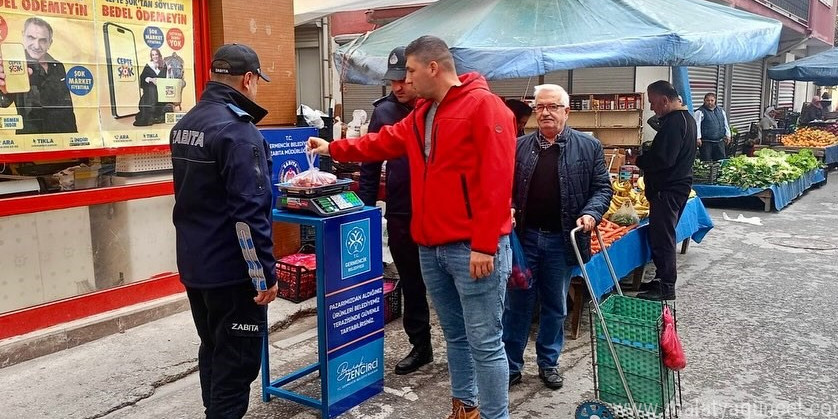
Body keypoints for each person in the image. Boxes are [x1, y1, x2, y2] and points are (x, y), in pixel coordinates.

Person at [308, 35, 515, 419]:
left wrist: (485, 244)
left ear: (433, 67)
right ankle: (464, 407)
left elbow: (497, 180)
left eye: (412, 70)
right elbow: (380, 143)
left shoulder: (486, 107)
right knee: (455, 336)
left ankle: (493, 414)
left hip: (474, 248)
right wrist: (331, 149)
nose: (407, 79)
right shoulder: (422, 114)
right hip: (431, 247)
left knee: (485, 343)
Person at [170, 43, 277, 419]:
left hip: (196, 265)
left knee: (213, 347)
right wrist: (264, 276)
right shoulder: (238, 131)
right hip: (231, 274)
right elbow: (249, 215)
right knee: (237, 363)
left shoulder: (186, 125)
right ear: (247, 79)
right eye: (257, 81)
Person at [504, 84, 611, 390]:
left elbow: (603, 188)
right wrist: (508, 207)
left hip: (562, 240)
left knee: (555, 305)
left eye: (553, 107)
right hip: (524, 241)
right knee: (517, 305)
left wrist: (592, 213)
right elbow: (505, 188)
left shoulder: (588, 147)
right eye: (540, 107)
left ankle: (548, 363)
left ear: (567, 111)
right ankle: (511, 365)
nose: (546, 112)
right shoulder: (519, 146)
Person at [357, 46, 433, 376]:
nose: (398, 87)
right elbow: (370, 164)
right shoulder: (384, 112)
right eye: (393, 81)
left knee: (449, 282)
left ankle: (467, 346)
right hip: (403, 210)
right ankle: (421, 345)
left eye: (403, 80)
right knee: (412, 282)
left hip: (438, 210)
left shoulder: (438, 107)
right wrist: (365, 209)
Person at [635, 80, 697, 301]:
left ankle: (666, 286)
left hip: (668, 189)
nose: (652, 108)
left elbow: (663, 159)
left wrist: (640, 160)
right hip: (677, 186)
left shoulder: (674, 123)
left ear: (664, 100)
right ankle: (661, 279)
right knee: (663, 235)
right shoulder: (686, 119)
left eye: (652, 103)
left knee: (663, 237)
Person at [0, 17, 77, 134]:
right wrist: (4, 90)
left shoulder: (58, 66)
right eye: (31, 38)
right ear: (23, 36)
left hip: (65, 137)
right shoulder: (15, 64)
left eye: (43, 40)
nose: (36, 45)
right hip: (32, 140)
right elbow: (4, 103)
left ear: (50, 43)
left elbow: (67, 106)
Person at [134, 48, 168, 126]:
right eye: (153, 55)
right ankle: (149, 115)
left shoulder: (164, 65)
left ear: (159, 55)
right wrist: (151, 79)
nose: (155, 56)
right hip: (150, 88)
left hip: (162, 88)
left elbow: (168, 77)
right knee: (151, 90)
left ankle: (157, 115)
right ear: (151, 56)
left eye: (156, 54)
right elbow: (143, 78)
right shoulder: (148, 65)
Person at [693, 92, 730, 161]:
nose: (710, 102)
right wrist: (698, 138)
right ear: (704, 101)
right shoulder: (699, 112)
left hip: (719, 141)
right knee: (706, 162)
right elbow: (696, 125)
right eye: (708, 100)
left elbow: (725, 123)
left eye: (712, 100)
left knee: (721, 161)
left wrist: (728, 135)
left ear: (715, 100)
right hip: (706, 142)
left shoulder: (721, 111)